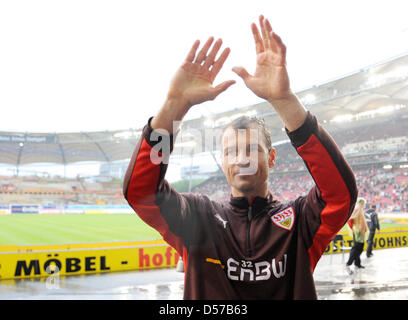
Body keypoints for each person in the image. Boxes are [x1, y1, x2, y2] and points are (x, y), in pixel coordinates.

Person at [123, 15, 357, 299]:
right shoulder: (199, 218)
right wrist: (175, 105)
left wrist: (284, 101)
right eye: (231, 151)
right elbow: (140, 191)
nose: (240, 159)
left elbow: (340, 195)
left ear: (271, 158)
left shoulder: (299, 221)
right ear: (223, 161)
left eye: (251, 149)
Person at [345, 197, 368, 274]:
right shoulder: (358, 208)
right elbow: (352, 218)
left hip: (360, 231)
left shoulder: (359, 208)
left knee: (358, 247)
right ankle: (349, 263)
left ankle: (357, 263)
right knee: (357, 248)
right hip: (358, 231)